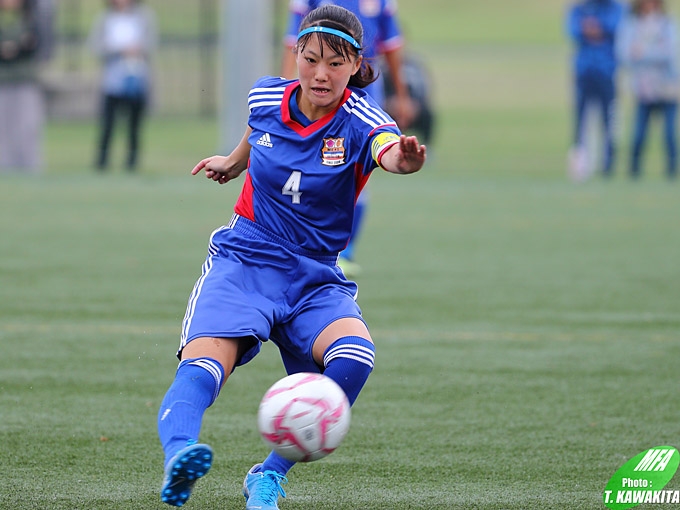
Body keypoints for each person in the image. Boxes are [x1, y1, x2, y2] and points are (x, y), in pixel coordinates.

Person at [157, 5, 426, 509]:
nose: (321, 73)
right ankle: (180, 455)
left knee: (355, 357)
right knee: (204, 366)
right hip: (247, 258)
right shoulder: (265, 95)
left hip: (314, 274)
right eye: (311, 58)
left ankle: (268, 474)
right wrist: (233, 163)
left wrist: (403, 160)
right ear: (296, 53)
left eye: (335, 63)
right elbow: (257, 129)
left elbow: (388, 149)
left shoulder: (363, 118)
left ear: (355, 65)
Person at [282, 0, 417, 276]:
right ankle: (294, 240)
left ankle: (344, 250)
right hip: (317, 87)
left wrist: (401, 95)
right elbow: (293, 41)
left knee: (354, 163)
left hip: (367, 85)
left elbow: (391, 45)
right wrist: (286, 88)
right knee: (306, 164)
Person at [88, 0, 157, 172]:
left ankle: (132, 162)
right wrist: (119, 49)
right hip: (112, 81)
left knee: (134, 125)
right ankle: (102, 161)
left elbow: (151, 43)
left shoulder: (143, 16)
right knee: (108, 124)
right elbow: (96, 46)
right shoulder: (105, 18)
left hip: (137, 78)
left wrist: (137, 49)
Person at [617, 0, 679, 179]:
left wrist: (643, 53)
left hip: (667, 87)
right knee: (638, 134)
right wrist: (650, 52)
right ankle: (634, 171)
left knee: (669, 134)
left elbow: (669, 54)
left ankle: (672, 172)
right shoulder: (632, 24)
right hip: (643, 88)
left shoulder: (667, 23)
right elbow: (624, 54)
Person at [566, 0, 625, 179]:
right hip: (584, 70)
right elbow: (572, 29)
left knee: (609, 119)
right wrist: (590, 30)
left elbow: (616, 27)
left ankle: (608, 165)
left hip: (607, 71)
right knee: (580, 120)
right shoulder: (580, 7)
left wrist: (595, 28)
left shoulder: (614, 7)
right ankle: (580, 166)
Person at [0, 0, 54, 174]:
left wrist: (17, 48)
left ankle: (29, 164)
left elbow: (35, 43)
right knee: (3, 126)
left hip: (26, 79)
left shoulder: (31, 18)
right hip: (3, 79)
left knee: (27, 124)